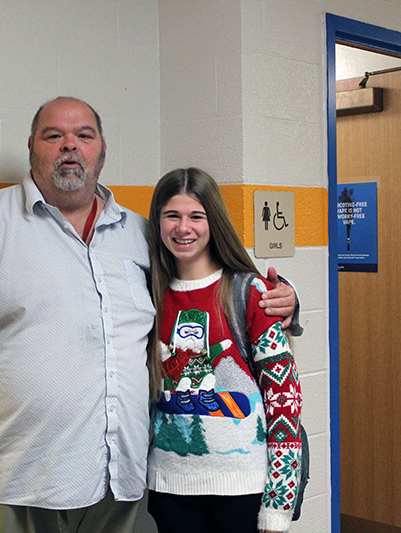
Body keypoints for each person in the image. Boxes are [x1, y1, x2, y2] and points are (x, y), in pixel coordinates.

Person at [0, 97, 300, 533]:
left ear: (102, 151)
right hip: (15, 487)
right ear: (32, 146)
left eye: (84, 136)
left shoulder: (139, 234)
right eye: (54, 136)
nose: (69, 146)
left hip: (119, 488)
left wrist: (282, 300)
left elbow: (200, 287)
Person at [145, 168, 303, 533]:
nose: (184, 228)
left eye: (196, 216)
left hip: (243, 488)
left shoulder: (251, 293)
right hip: (168, 487)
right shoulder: (148, 290)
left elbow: (284, 398)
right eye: (173, 215)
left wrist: (278, 505)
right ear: (157, 221)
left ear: (213, 221)